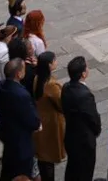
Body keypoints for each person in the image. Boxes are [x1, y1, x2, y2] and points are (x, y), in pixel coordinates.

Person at [0, 58, 41, 181]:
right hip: (21, 143)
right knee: (22, 173)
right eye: (24, 70)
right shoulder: (21, 95)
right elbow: (32, 119)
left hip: (7, 137)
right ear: (18, 74)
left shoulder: (1, 86)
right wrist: (37, 123)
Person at [62, 56, 102, 181]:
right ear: (83, 74)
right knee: (85, 171)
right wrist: (96, 130)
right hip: (84, 141)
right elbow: (92, 117)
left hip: (71, 136)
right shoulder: (84, 95)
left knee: (73, 168)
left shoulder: (66, 87)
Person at [33, 51, 67, 181]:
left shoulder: (38, 78)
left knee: (43, 156)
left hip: (42, 119)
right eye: (54, 60)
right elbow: (62, 104)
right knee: (49, 156)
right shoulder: (51, 85)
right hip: (51, 123)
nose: (56, 62)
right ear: (49, 65)